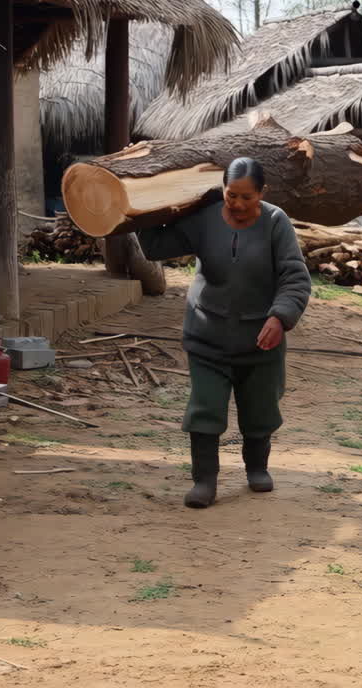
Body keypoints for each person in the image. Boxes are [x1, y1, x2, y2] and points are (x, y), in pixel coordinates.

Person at [136, 157, 312, 509]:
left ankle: (257, 468)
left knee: (260, 410)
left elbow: (295, 278)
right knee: (205, 409)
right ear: (223, 190)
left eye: (248, 197)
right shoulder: (204, 217)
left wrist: (280, 317)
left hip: (261, 338)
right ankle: (204, 481)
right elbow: (156, 247)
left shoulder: (276, 223)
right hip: (207, 335)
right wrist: (145, 206)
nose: (239, 204)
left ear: (263, 193)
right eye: (232, 196)